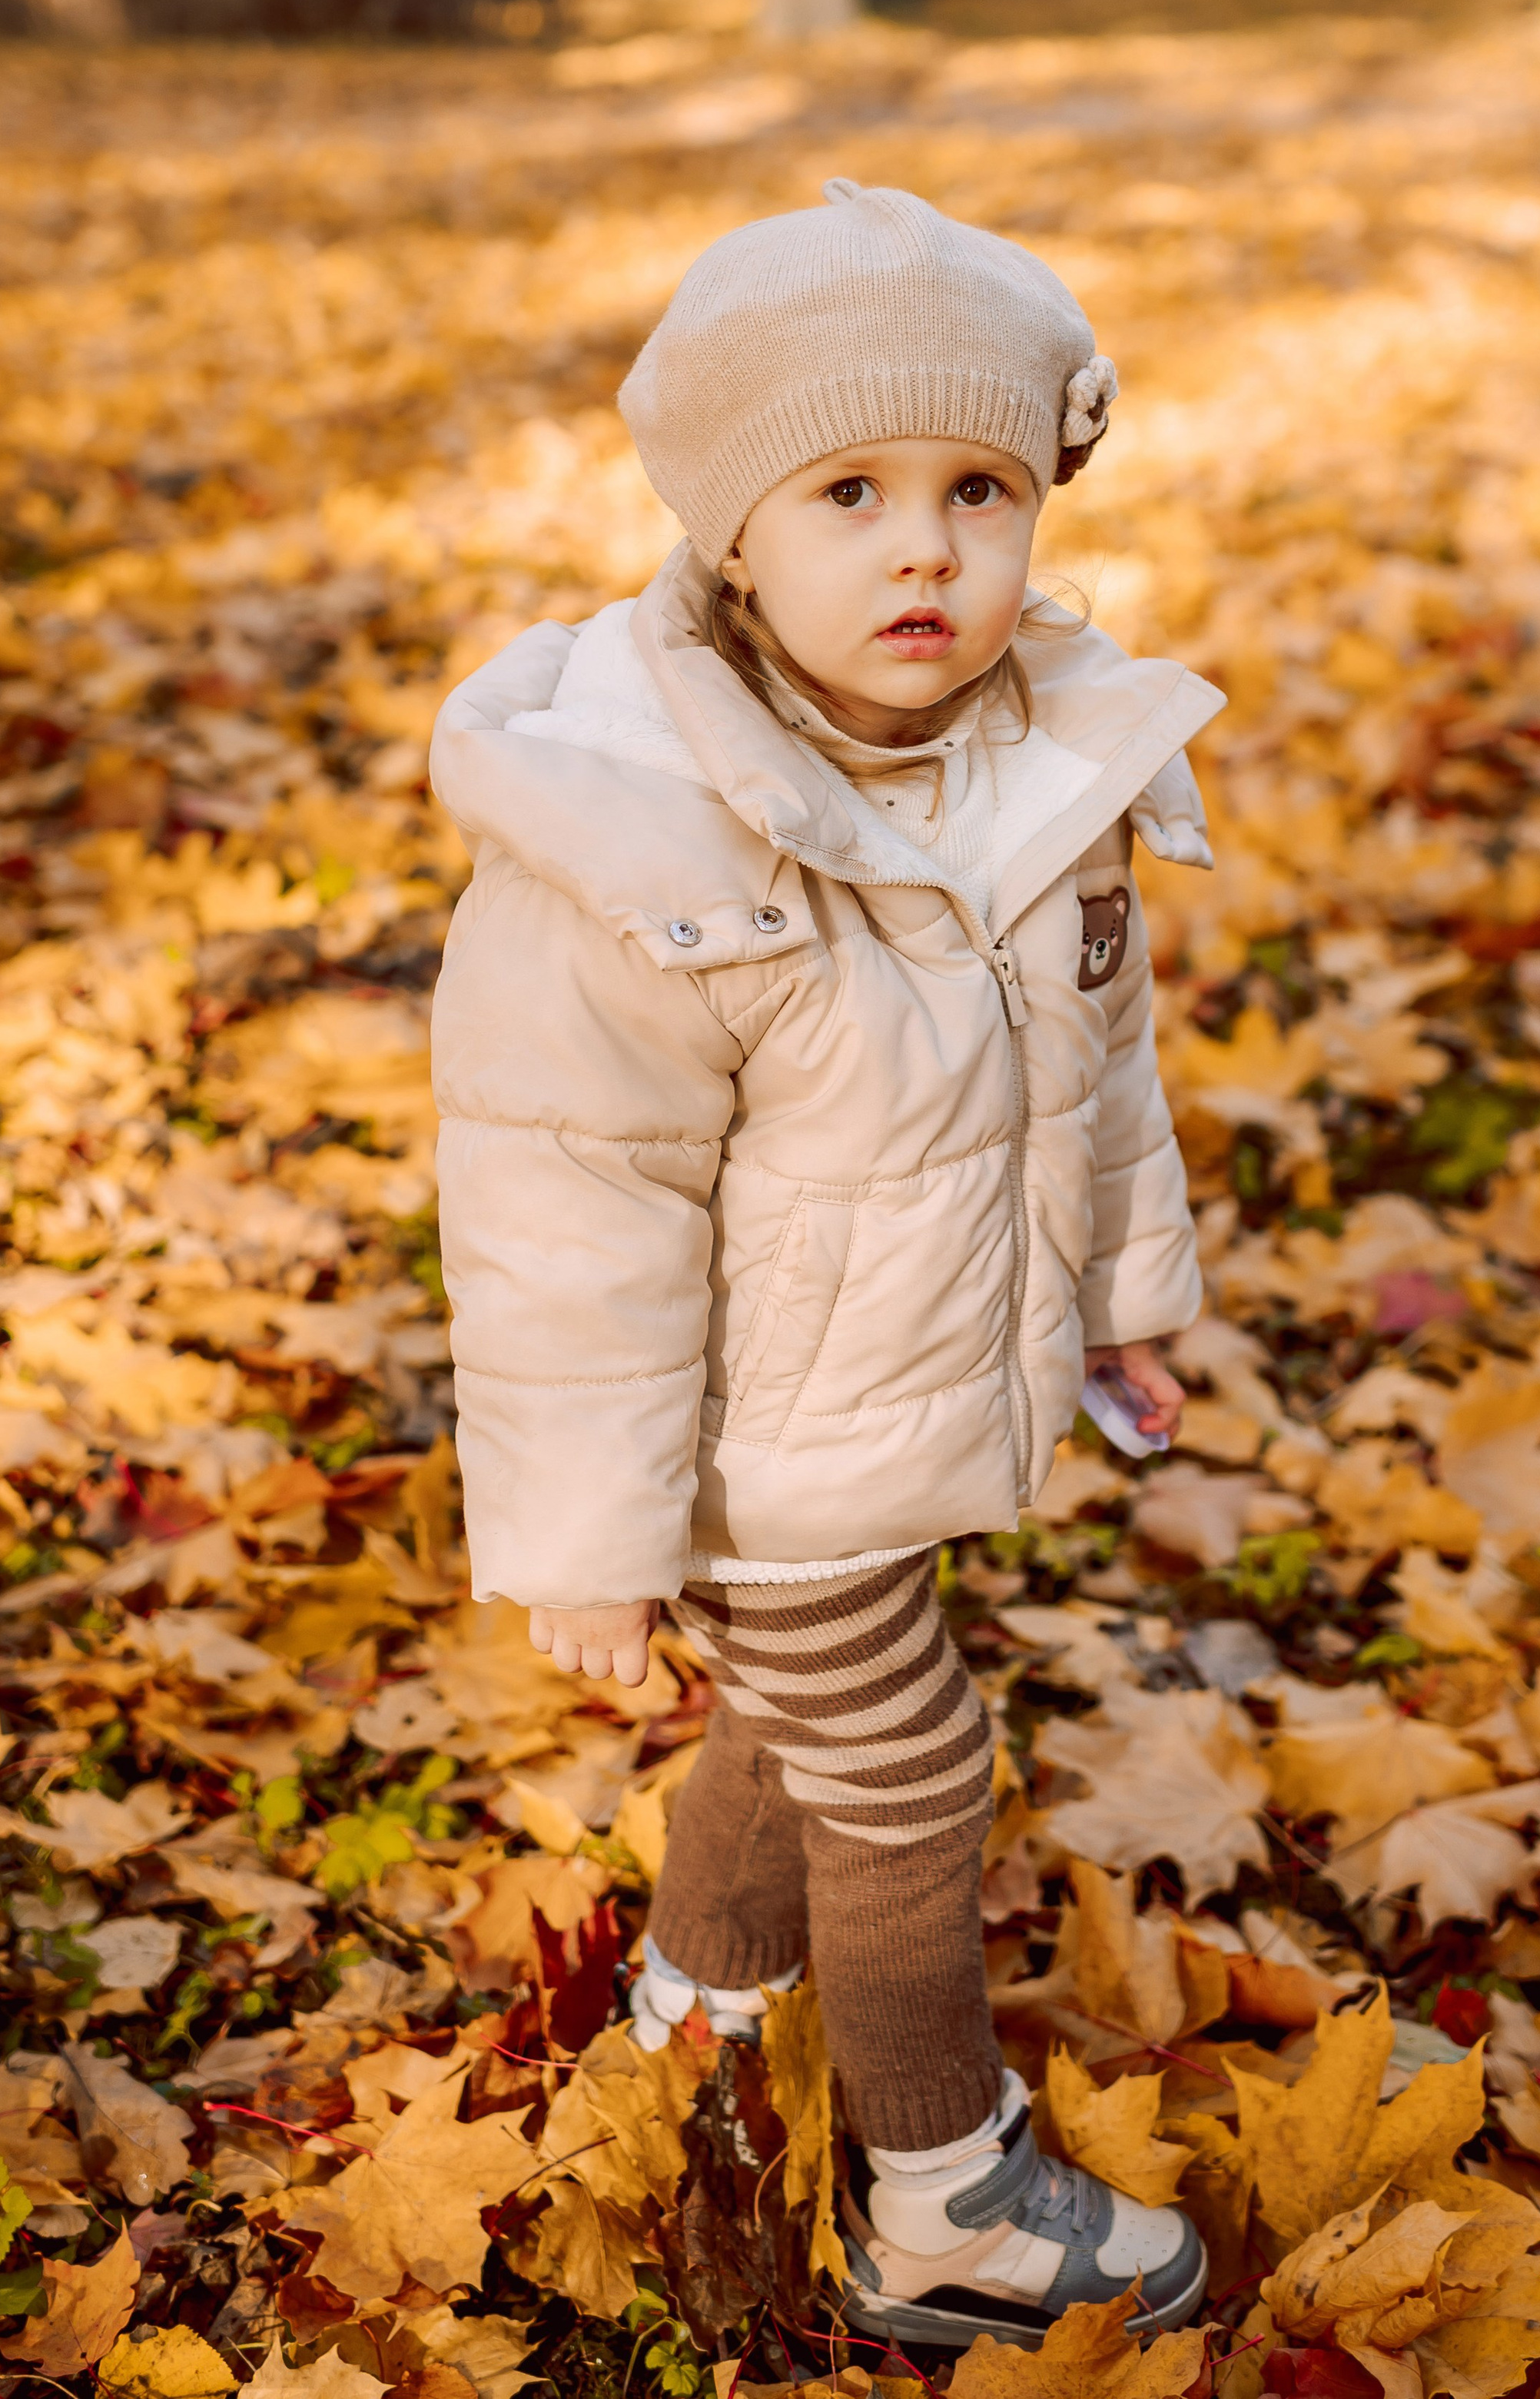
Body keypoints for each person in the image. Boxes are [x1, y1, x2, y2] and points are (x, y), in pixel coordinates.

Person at [428, 178, 1223, 2354]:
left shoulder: (1031, 768)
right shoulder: (643, 837)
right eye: (850, 490)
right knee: (903, 1757)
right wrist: (589, 1535)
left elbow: (1099, 1069)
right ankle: (941, 2191)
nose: (925, 550)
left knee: (792, 1736)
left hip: (877, 1397)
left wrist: (1124, 1289)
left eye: (979, 488)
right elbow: (561, 1207)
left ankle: (701, 2029)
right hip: (736, 1435)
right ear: (732, 534)